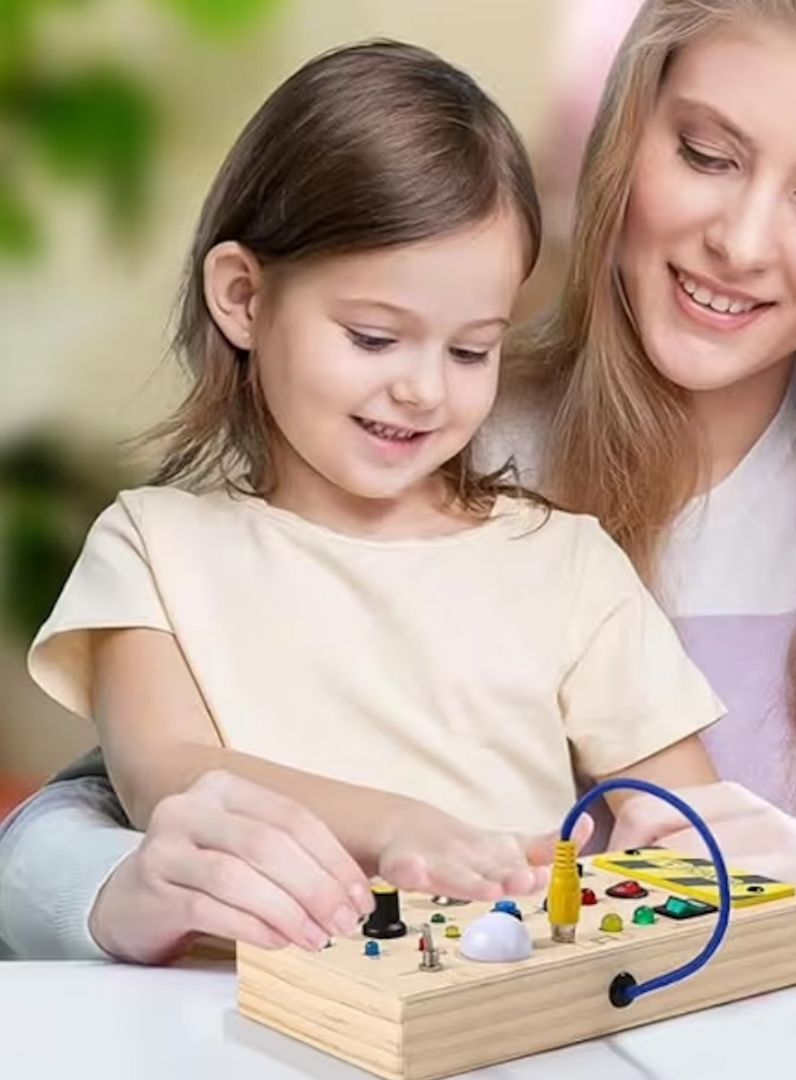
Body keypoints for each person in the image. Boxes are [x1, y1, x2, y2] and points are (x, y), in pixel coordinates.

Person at [4, 0, 796, 969]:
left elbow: (687, 831)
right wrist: (109, 891)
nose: (742, 243)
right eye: (705, 154)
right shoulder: (431, 443)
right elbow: (113, 807)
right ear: (624, 133)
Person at [0, 39, 720, 963]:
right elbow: (164, 776)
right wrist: (400, 826)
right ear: (243, 298)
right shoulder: (152, 548)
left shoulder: (568, 564)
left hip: (498, 1028)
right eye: (377, 337)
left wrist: (649, 877)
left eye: (471, 351)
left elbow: (692, 831)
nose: (425, 389)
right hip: (225, 1026)